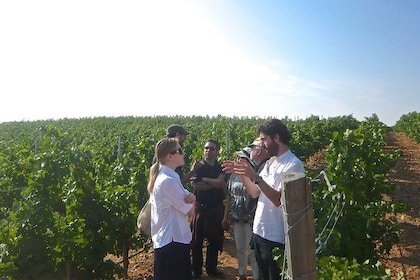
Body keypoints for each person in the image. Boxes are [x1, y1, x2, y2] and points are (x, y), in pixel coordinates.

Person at [222, 119, 305, 280]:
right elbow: (254, 193)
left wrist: (255, 176)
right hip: (259, 232)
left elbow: (279, 200)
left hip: (276, 237)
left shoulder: (293, 165)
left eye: (263, 139)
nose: (262, 144)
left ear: (276, 138)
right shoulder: (271, 163)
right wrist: (242, 173)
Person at [148, 138, 197, 280]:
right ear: (169, 156)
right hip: (172, 243)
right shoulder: (168, 181)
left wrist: (192, 198)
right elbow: (192, 212)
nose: (183, 153)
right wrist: (192, 199)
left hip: (171, 241)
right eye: (179, 150)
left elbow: (189, 201)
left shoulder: (169, 177)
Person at [190, 139, 226, 279]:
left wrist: (204, 180)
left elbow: (222, 183)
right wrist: (214, 182)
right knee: (197, 241)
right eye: (206, 148)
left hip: (215, 208)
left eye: (211, 149)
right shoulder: (198, 167)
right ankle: (196, 270)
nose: (208, 151)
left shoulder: (221, 167)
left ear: (217, 152)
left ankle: (211, 268)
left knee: (214, 240)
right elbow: (196, 186)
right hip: (200, 208)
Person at [222, 146, 259, 280]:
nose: (238, 160)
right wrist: (226, 216)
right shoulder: (232, 177)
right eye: (237, 158)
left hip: (251, 220)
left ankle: (256, 276)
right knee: (240, 248)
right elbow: (229, 197)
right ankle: (242, 274)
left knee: (253, 252)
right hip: (237, 218)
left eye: (241, 158)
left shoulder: (254, 175)